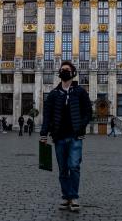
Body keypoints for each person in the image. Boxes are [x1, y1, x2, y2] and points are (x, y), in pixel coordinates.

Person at [40, 61, 92, 213]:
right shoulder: (53, 94)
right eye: (62, 70)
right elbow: (47, 116)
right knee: (63, 169)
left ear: (73, 73)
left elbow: (88, 112)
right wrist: (43, 134)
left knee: (74, 166)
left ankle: (74, 197)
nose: (64, 72)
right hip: (59, 137)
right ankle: (65, 196)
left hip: (75, 136)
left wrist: (81, 126)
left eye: (67, 70)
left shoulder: (80, 92)